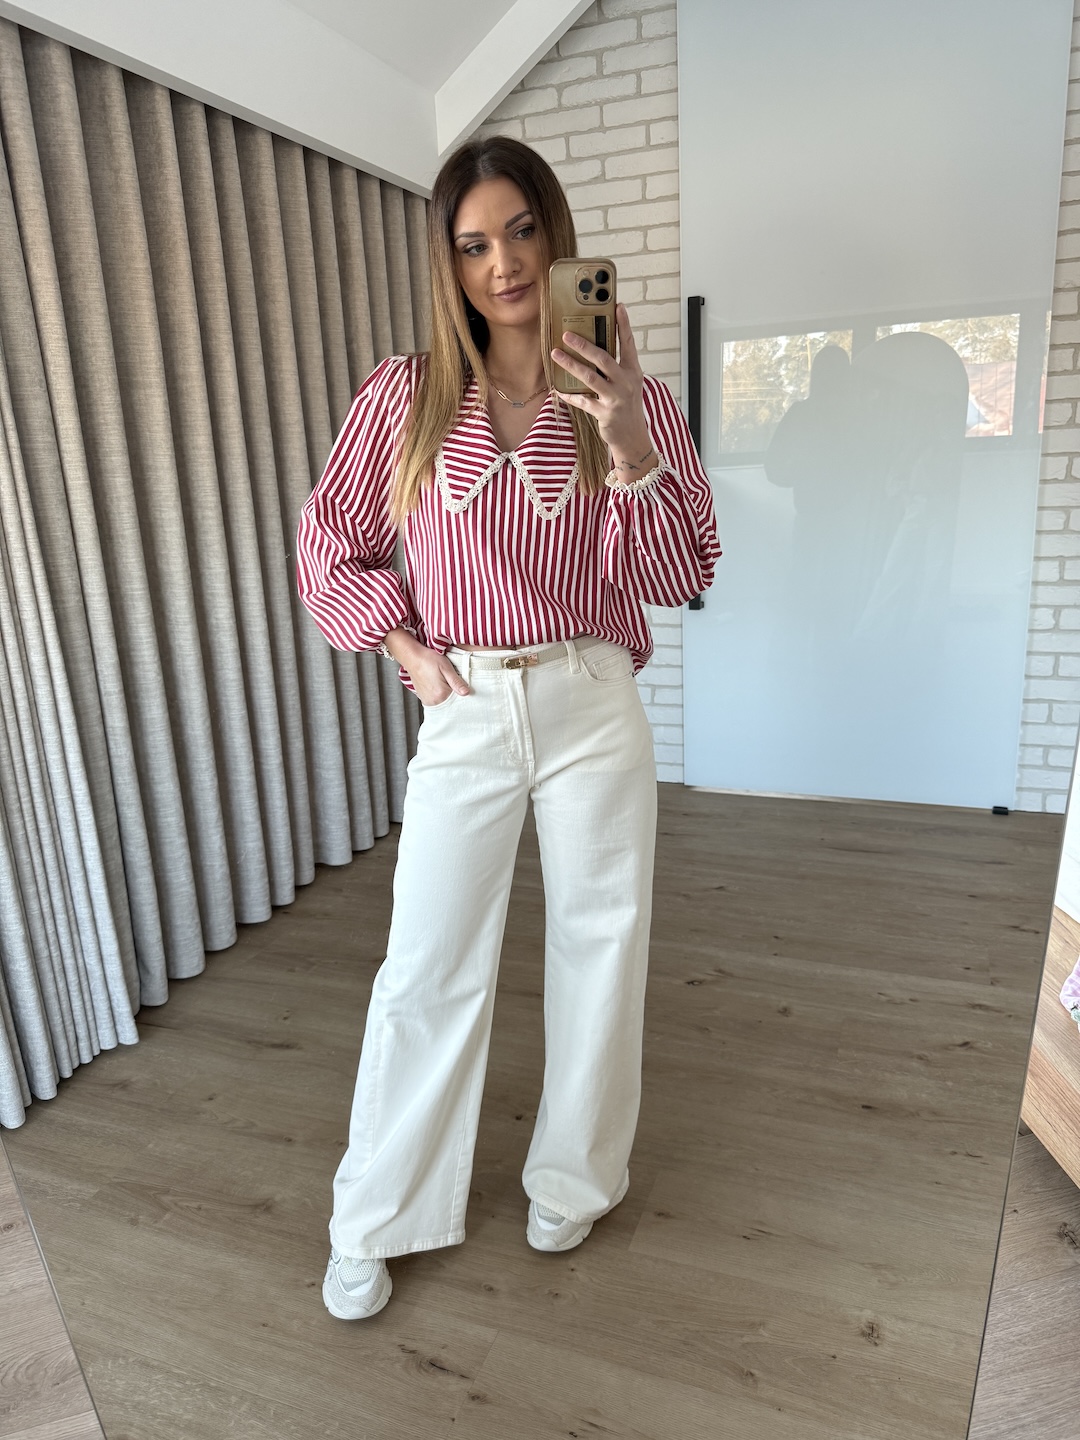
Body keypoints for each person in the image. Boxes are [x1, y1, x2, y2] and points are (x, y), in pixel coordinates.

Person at [295, 135, 720, 1320]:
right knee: (425, 966)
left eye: (522, 231)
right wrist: (403, 645)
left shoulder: (631, 401)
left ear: (555, 233)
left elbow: (683, 572)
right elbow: (329, 546)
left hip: (593, 700)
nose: (504, 264)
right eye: (474, 243)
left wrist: (629, 444)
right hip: (467, 706)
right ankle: (374, 1215)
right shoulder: (407, 395)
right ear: (450, 262)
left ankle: (574, 1181)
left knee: (601, 949)